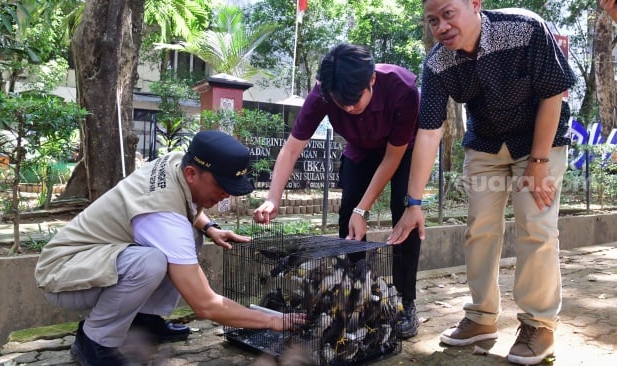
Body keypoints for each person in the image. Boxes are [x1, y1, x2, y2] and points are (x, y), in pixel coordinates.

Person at [388, 1, 575, 365]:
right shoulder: (438, 62)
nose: (441, 26)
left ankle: (539, 324)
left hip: (540, 141)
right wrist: (414, 204)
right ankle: (481, 317)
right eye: (432, 20)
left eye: (447, 13)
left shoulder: (524, 27)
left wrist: (538, 163)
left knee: (535, 227)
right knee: (480, 229)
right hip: (486, 145)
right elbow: (428, 133)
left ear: (475, 4)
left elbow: (553, 94)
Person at [35, 130, 305, 366]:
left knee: (191, 233)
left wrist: (210, 228)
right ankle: (94, 341)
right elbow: (205, 305)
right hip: (64, 275)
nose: (227, 194)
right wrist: (272, 321)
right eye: (222, 186)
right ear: (191, 173)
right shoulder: (162, 216)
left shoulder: (179, 161)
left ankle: (145, 319)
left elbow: (185, 207)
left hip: (93, 261)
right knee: (151, 261)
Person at [252, 43, 422, 339]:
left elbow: (392, 157)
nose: (348, 108)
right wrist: (272, 197)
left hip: (403, 149)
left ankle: (406, 302)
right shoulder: (322, 93)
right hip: (360, 148)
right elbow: (292, 149)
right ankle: (358, 293)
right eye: (340, 103)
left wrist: (364, 210)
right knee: (347, 216)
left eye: (354, 101)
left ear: (371, 80)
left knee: (403, 212)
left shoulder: (402, 88)